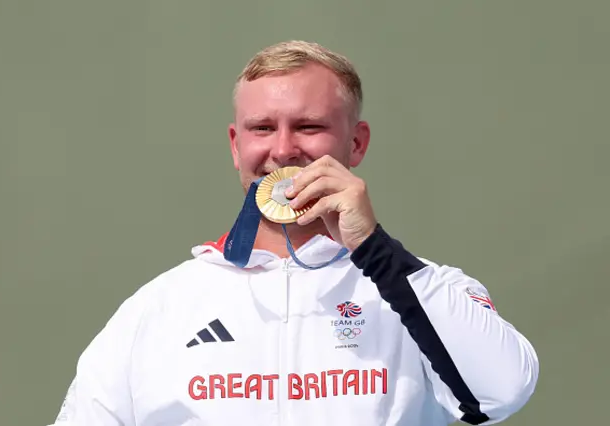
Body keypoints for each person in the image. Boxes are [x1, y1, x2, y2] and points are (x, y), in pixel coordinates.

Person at [48, 40, 539, 426]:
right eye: (262, 128)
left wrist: (374, 251)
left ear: (356, 142)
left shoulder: (422, 291)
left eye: (308, 126)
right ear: (236, 146)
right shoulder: (157, 310)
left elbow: (499, 395)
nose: (283, 150)